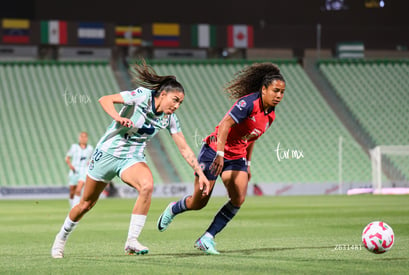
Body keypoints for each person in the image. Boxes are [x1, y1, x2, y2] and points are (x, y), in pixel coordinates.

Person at [51, 60, 211, 258]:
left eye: (180, 103)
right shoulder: (141, 96)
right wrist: (117, 118)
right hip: (107, 153)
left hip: (131, 157)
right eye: (175, 100)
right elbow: (105, 99)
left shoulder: (169, 119)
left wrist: (200, 173)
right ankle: (61, 238)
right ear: (163, 94)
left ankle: (131, 241)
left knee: (147, 186)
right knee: (86, 204)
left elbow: (184, 148)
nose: (177, 106)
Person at [157, 62, 286, 255]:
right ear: (264, 89)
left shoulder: (270, 116)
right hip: (213, 151)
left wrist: (248, 164)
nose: (279, 95)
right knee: (199, 202)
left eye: (282, 92)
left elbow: (251, 139)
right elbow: (225, 124)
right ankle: (174, 208)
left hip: (237, 157)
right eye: (275, 91)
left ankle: (207, 237)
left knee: (239, 197)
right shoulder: (248, 103)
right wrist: (219, 154)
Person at [65, 131, 94, 208]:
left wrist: (90, 164)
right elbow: (67, 158)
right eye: (82, 137)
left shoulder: (90, 148)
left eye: (85, 137)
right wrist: (71, 166)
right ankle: (72, 206)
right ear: (79, 138)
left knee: (78, 190)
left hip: (84, 170)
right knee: (72, 191)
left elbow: (92, 159)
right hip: (74, 170)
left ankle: (74, 209)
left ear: (87, 138)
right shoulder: (74, 147)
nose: (83, 138)